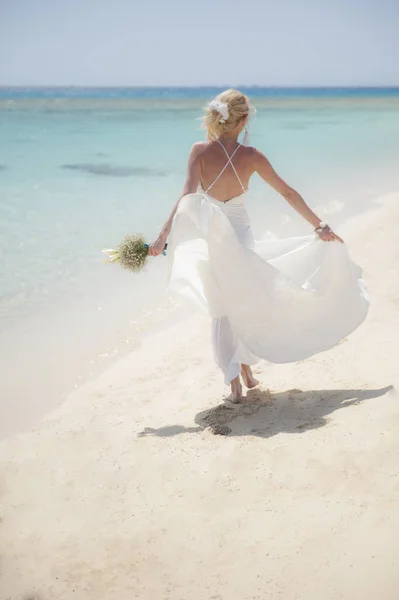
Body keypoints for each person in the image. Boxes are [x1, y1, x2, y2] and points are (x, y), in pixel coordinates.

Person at [148, 89, 368, 401]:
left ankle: (234, 376)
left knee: (221, 306)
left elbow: (186, 198)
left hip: (213, 238)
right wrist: (320, 226)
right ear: (245, 119)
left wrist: (162, 238)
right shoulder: (252, 157)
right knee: (245, 300)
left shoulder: (198, 151)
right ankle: (245, 368)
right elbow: (288, 193)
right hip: (240, 237)